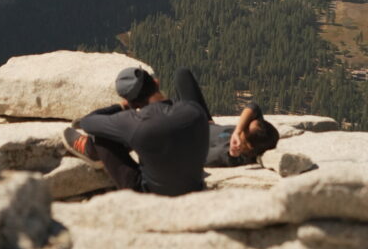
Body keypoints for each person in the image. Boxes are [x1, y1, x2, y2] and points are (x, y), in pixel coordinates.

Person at [61, 66, 279, 194]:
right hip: (199, 123)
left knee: (105, 136)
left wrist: (122, 108)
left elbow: (88, 122)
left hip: (145, 191)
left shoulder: (229, 154)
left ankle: (90, 149)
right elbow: (254, 108)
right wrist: (237, 130)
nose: (239, 133)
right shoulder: (192, 111)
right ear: (155, 83)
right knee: (182, 73)